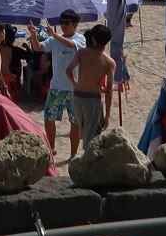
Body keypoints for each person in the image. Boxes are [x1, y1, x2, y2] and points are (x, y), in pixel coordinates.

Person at [33, 10, 84, 158]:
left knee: (75, 122)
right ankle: (52, 148)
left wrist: (54, 35)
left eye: (67, 23)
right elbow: (38, 47)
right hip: (56, 87)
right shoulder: (54, 39)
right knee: (49, 118)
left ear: (75, 24)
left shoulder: (80, 38)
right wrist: (32, 34)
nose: (64, 26)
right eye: (62, 23)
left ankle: (73, 153)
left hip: (74, 89)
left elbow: (71, 45)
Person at [68, 25, 112, 143]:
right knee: (93, 138)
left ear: (93, 39)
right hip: (93, 99)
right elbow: (109, 90)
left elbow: (68, 70)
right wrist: (107, 115)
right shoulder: (109, 62)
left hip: (77, 97)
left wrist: (75, 83)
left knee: (84, 133)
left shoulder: (82, 53)